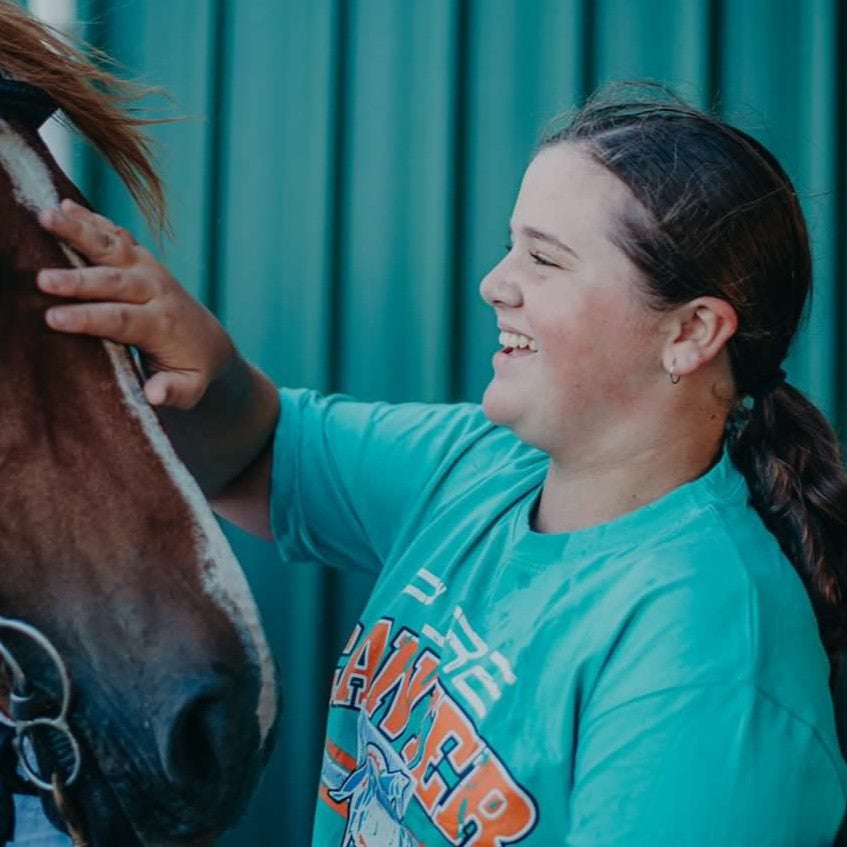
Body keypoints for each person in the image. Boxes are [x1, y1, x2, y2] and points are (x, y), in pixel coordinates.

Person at [36, 88, 847, 845]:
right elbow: (256, 454)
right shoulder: (481, 468)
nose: (495, 283)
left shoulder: (706, 662)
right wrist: (182, 342)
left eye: (546, 259)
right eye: (509, 246)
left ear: (690, 332)